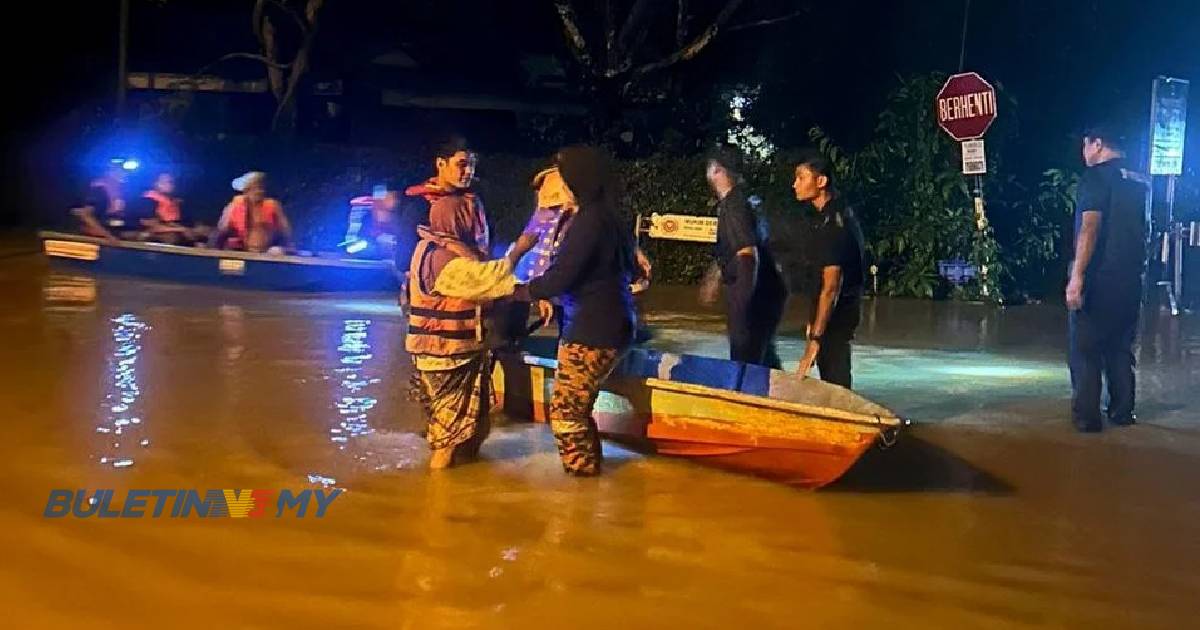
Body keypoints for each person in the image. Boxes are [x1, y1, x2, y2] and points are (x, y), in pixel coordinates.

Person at [515, 146, 638, 477]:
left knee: (566, 410)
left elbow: (561, 276)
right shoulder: (609, 217)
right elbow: (631, 273)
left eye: (564, 179)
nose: (560, 186)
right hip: (612, 324)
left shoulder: (589, 222)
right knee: (578, 408)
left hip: (592, 331)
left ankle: (582, 484)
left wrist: (522, 291)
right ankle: (589, 475)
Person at [406, 172, 538, 469]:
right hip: (447, 358)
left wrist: (533, 294)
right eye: (473, 219)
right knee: (448, 440)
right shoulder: (443, 258)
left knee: (475, 429)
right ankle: (437, 501)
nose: (480, 226)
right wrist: (519, 250)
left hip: (456, 354)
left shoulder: (439, 249)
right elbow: (488, 281)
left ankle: (464, 495)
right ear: (457, 222)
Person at [1066, 125, 1149, 432]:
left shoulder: (1095, 178)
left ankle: (1088, 420)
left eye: (1085, 146)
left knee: (1086, 351)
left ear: (1097, 144)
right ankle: (1123, 412)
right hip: (1131, 280)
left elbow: (1090, 228)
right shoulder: (1140, 181)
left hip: (1099, 279)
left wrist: (1077, 277)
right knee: (1120, 349)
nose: (1084, 154)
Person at [698, 145, 787, 368]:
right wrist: (715, 276)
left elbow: (748, 255)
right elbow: (738, 247)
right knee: (763, 359)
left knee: (745, 359)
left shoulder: (733, 206)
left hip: (755, 293)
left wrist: (742, 305)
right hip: (770, 292)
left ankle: (749, 400)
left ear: (716, 171)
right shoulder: (747, 199)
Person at [792, 151, 865, 388]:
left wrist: (815, 339)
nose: (795, 185)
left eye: (801, 178)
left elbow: (831, 288)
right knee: (836, 375)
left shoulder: (833, 225)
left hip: (836, 318)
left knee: (836, 380)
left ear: (821, 182)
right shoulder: (838, 213)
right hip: (840, 313)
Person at [209, 171, 294, 253]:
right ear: (246, 191)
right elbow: (222, 229)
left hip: (268, 251)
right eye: (255, 188)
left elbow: (285, 230)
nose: (259, 191)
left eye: (261, 187)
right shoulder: (235, 205)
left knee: (276, 252)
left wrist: (289, 247)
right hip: (242, 250)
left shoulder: (272, 205)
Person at [133, 173, 209, 245]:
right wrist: (181, 229)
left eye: (171, 182)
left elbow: (186, 223)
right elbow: (152, 227)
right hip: (155, 234)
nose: (170, 185)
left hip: (176, 231)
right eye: (165, 182)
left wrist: (195, 230)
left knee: (202, 235)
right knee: (171, 237)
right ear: (156, 184)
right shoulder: (148, 201)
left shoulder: (177, 202)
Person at [71, 162, 128, 241]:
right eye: (119, 171)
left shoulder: (121, 191)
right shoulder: (99, 190)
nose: (124, 174)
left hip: (113, 236)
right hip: (95, 239)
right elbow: (85, 215)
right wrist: (107, 236)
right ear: (109, 173)